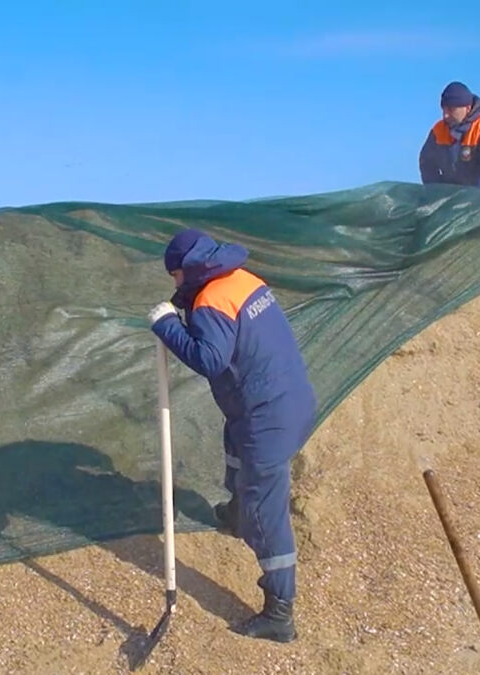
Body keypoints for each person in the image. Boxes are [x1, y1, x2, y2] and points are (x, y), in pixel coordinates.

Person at [147, 229, 317, 643]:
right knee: (236, 452)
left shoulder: (210, 301)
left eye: (174, 276)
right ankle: (236, 516)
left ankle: (280, 612)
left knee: (266, 510)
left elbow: (209, 358)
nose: (174, 284)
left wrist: (166, 324)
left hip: (267, 419)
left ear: (186, 271)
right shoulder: (245, 280)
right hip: (289, 401)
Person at [419, 81, 480, 196]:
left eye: (451, 110)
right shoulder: (438, 130)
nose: (445, 115)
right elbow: (426, 161)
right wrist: (436, 190)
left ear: (467, 108)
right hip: (450, 199)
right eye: (443, 109)